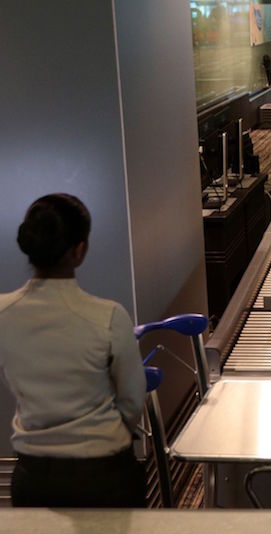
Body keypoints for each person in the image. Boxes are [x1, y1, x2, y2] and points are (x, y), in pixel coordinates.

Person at [0, 193, 146, 507]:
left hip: (34, 477)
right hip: (105, 476)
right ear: (79, 251)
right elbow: (132, 399)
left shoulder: (3, 313)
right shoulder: (109, 316)